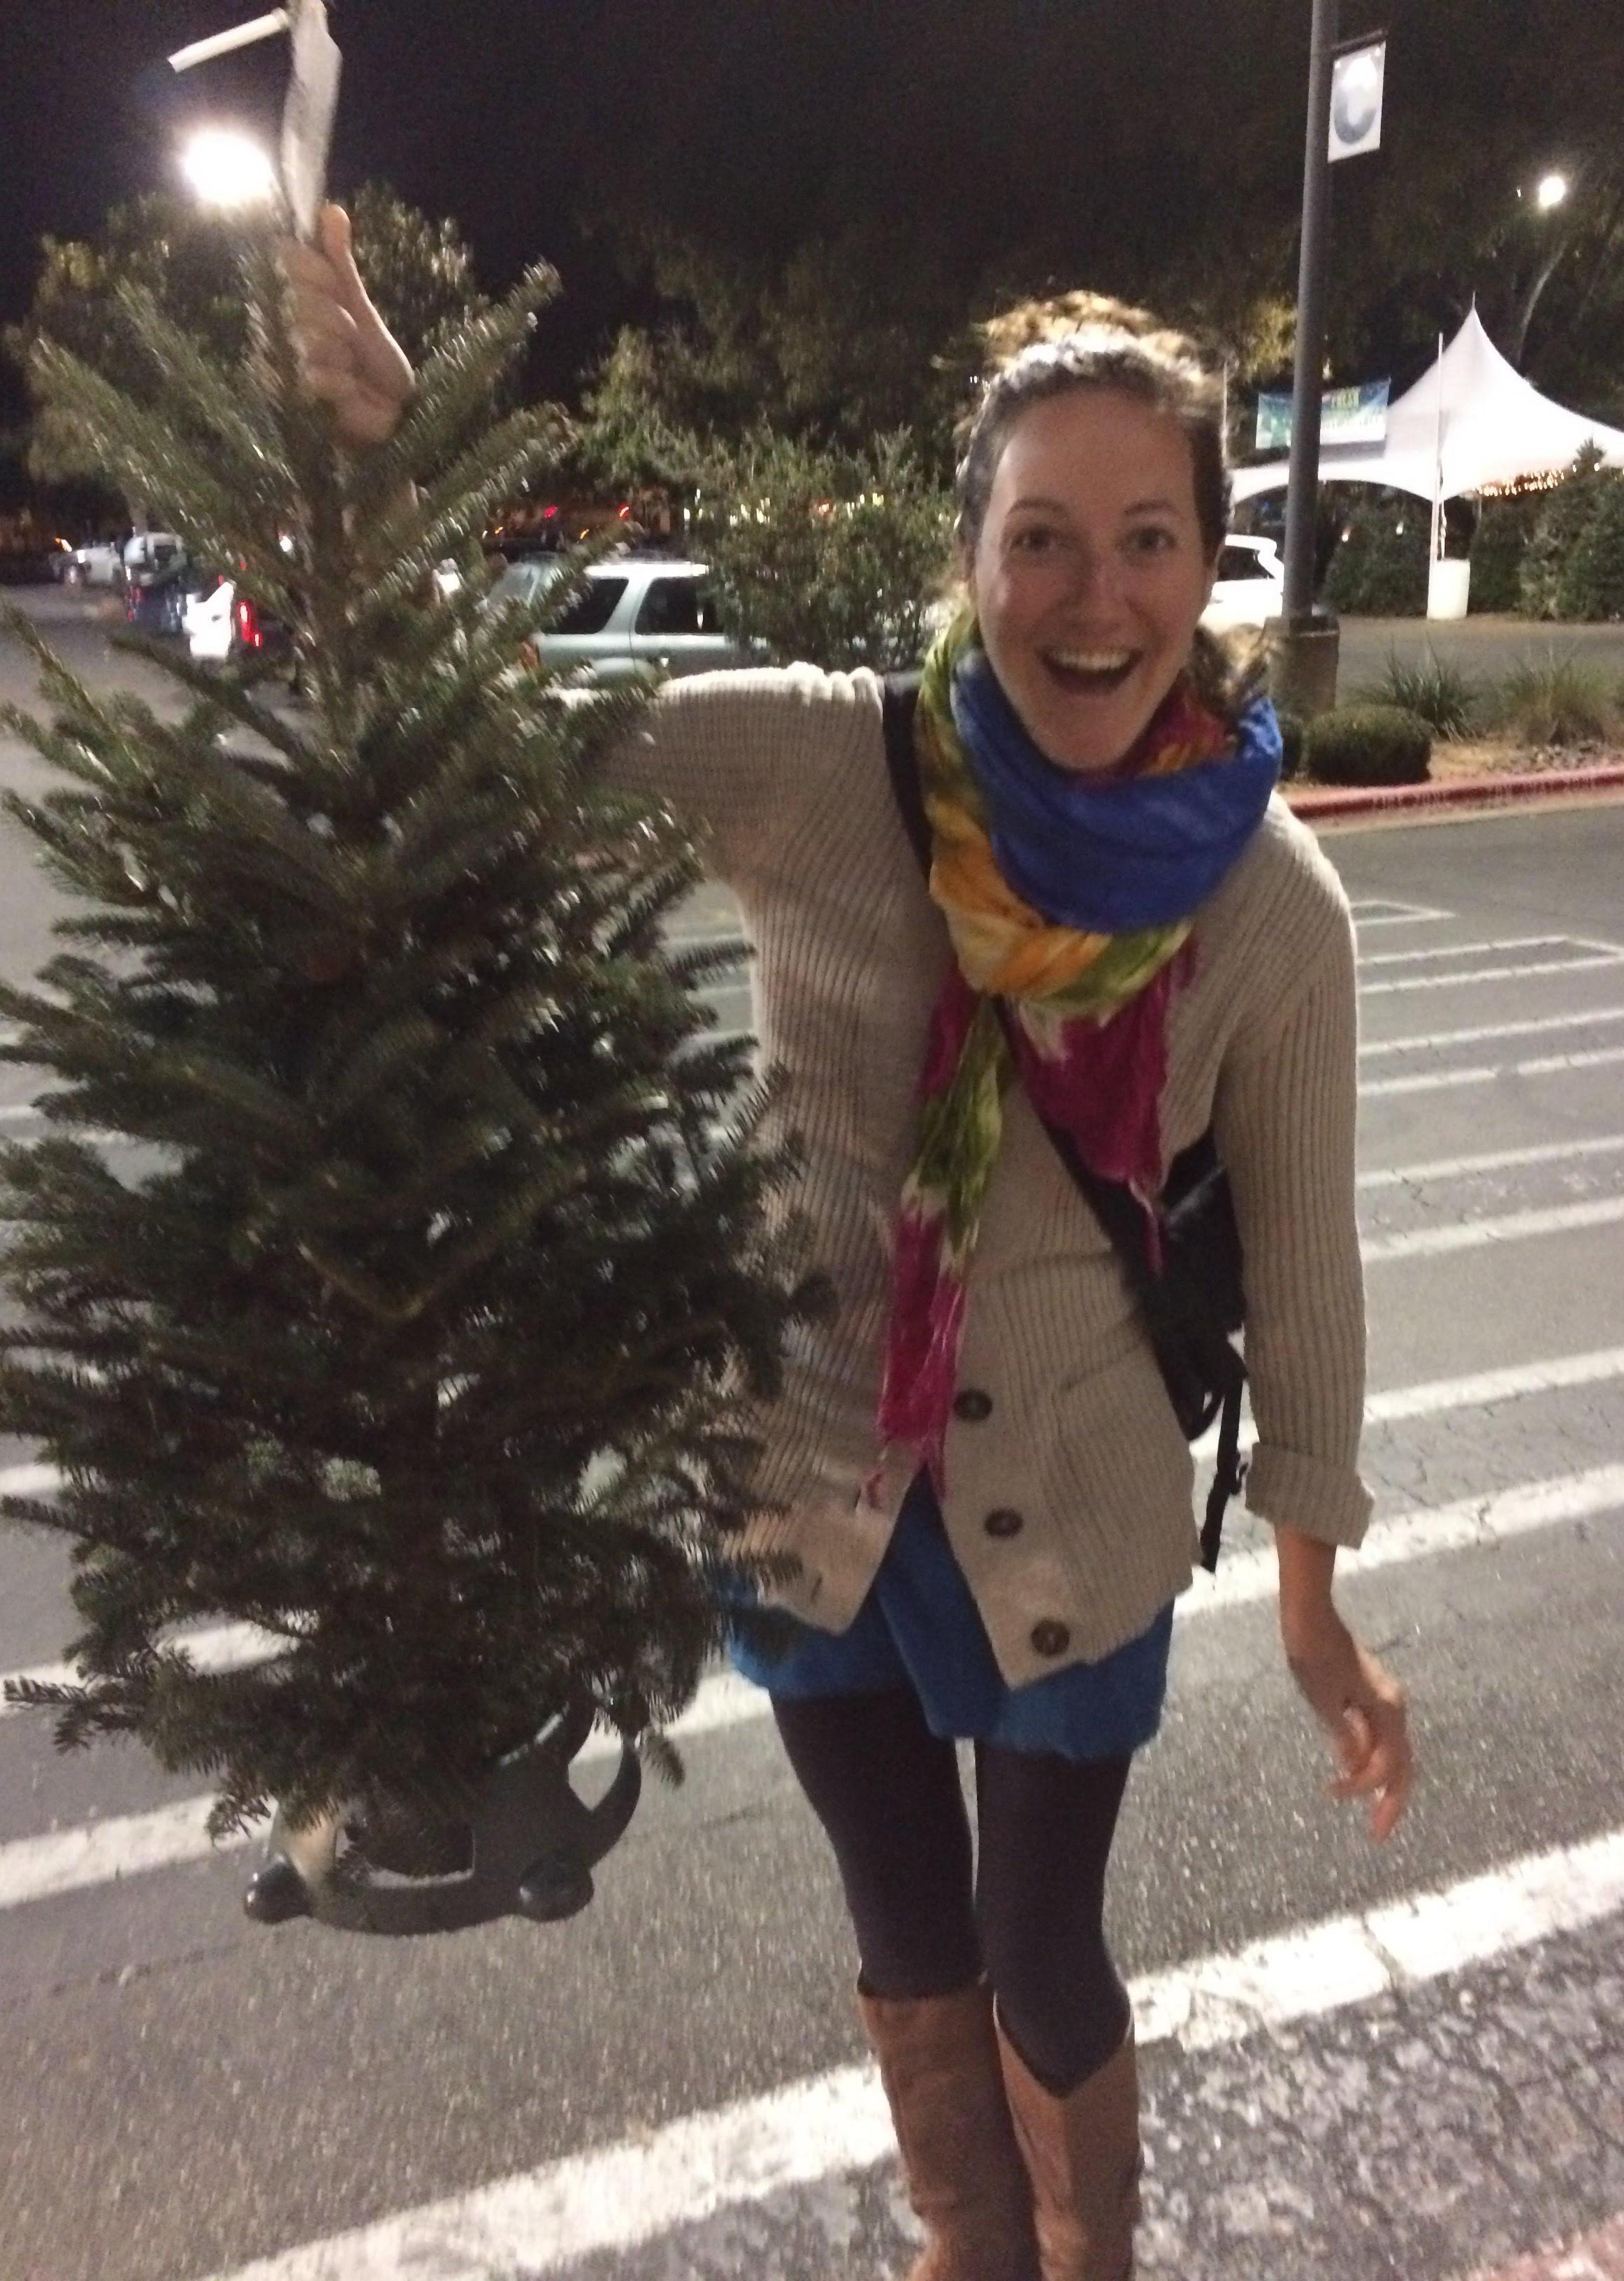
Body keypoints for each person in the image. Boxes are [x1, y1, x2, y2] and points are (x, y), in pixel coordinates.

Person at [282, 205, 1413, 2281]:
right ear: (970, 555)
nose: (1096, 596)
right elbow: (510, 743)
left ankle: (1081, 2259)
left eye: (1148, 539)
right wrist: (392, 464)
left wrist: (1318, 1607)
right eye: (1043, 538)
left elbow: (1307, 1283)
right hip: (807, 1479)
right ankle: (967, 2246)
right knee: (902, 1927)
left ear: (1209, 564)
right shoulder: (822, 764)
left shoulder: (1268, 906)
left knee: (1039, 1946)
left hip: (1076, 1506)